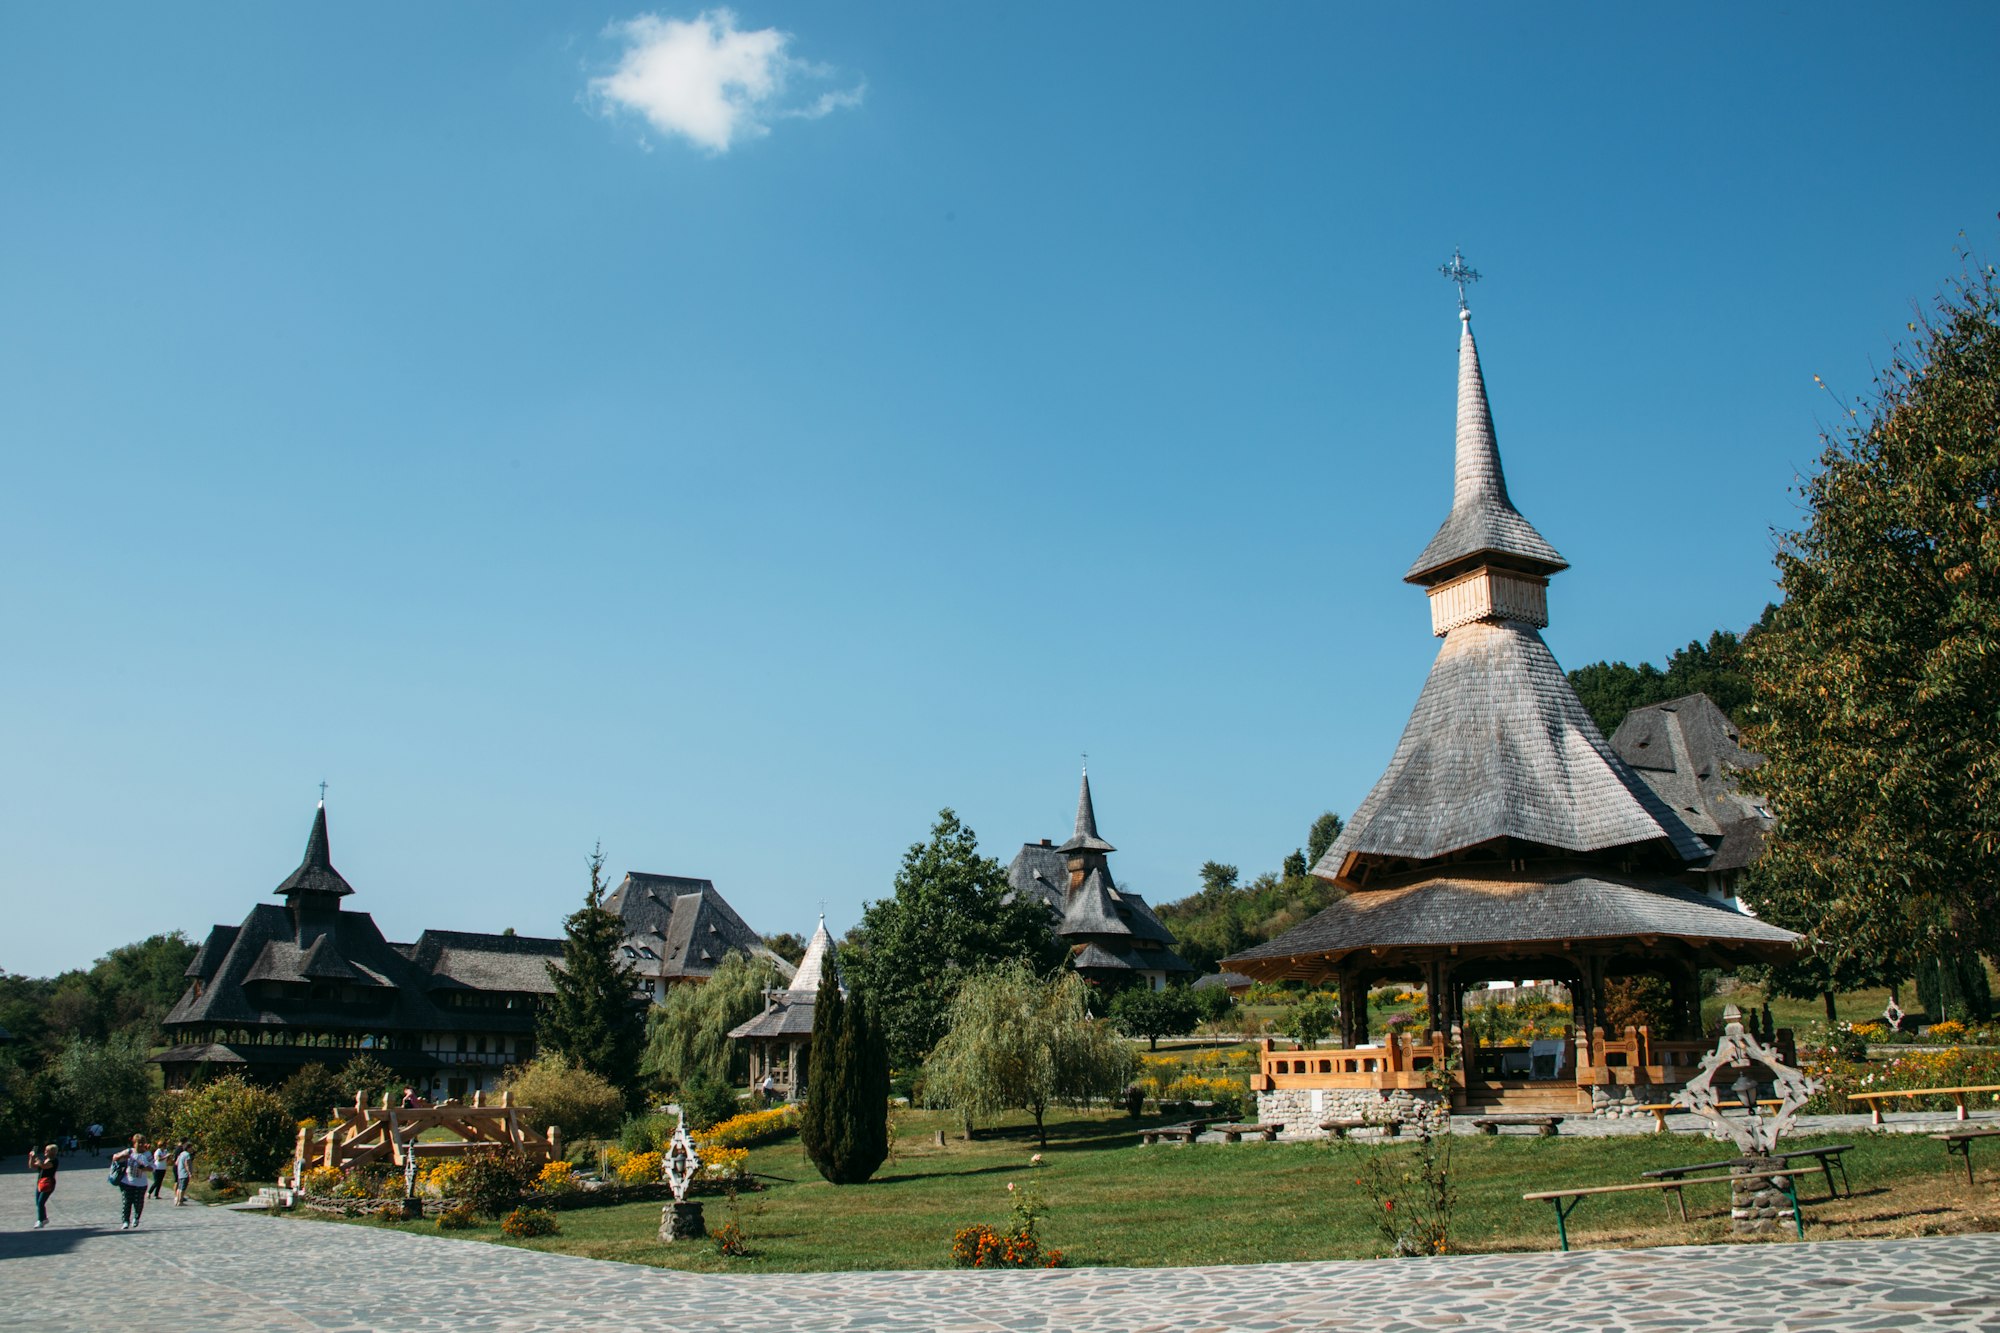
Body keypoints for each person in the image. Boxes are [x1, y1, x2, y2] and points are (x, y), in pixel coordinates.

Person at [110, 1135, 153, 1229]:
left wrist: (144, 1168)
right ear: (134, 1143)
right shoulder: (129, 1151)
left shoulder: (147, 1154)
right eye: (139, 1142)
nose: (141, 1145)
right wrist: (122, 1156)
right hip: (127, 1182)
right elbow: (114, 1157)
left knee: (138, 1202)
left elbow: (153, 1168)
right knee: (126, 1202)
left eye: (142, 1143)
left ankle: (136, 1218)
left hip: (141, 1183)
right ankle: (125, 1221)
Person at [28, 1144, 58, 1228]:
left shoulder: (54, 1161)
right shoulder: (45, 1160)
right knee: (38, 1203)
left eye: (47, 1150)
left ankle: (40, 1221)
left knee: (41, 1202)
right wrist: (31, 1157)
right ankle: (44, 1218)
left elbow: (44, 1166)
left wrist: (36, 1157)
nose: (45, 1152)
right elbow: (32, 1166)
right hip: (40, 1183)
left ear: (52, 1152)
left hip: (48, 1184)